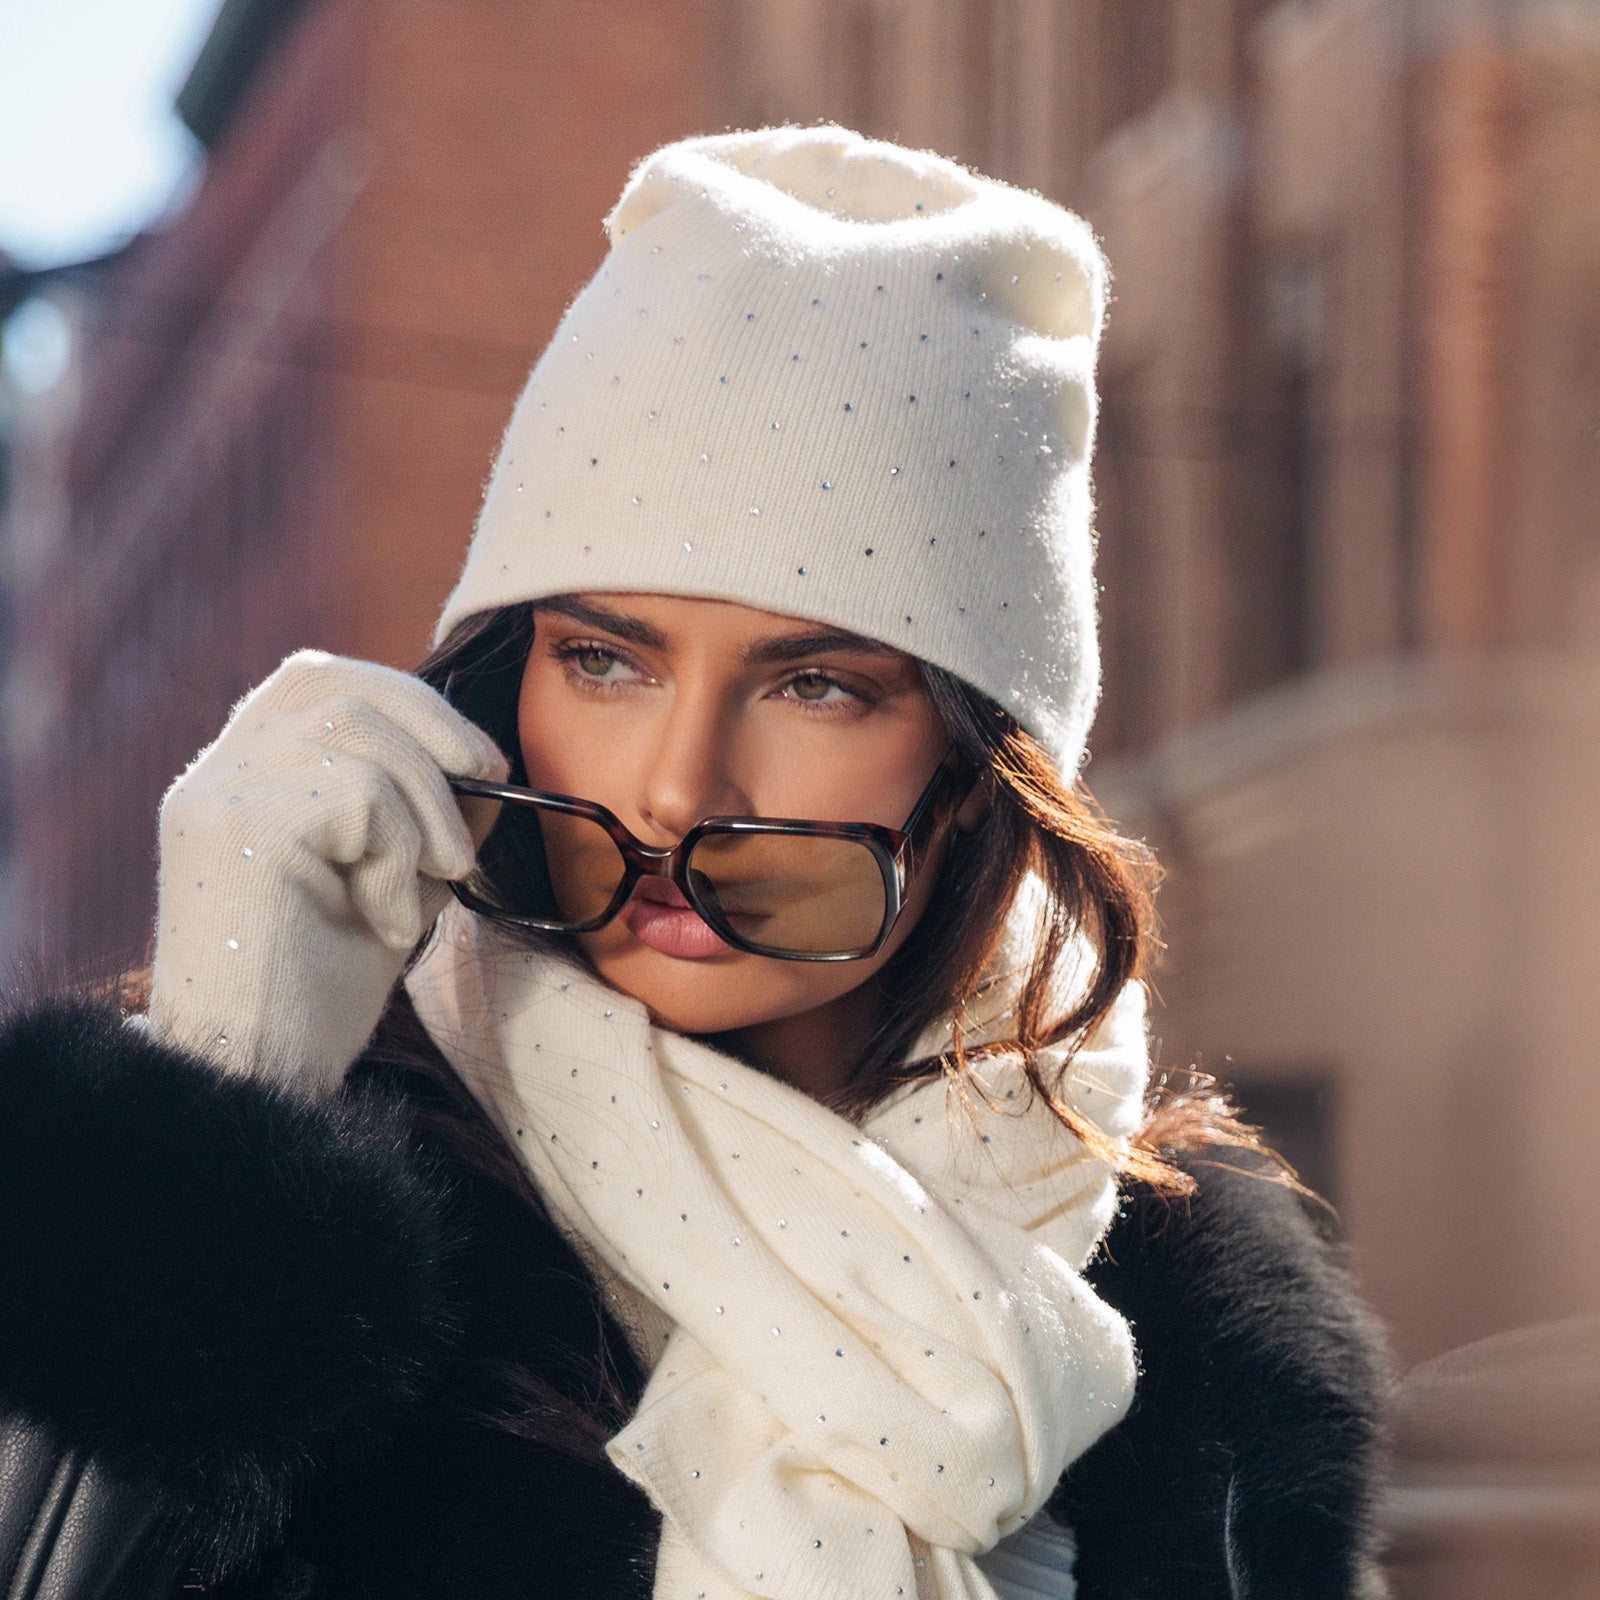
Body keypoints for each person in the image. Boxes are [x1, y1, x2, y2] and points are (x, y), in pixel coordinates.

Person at [0, 125, 1395, 1599]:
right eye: (605, 659)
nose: (677, 785)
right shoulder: (331, 1190)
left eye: (817, 686)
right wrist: (242, 1058)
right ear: (500, 690)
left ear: (979, 767)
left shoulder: (1183, 1310)